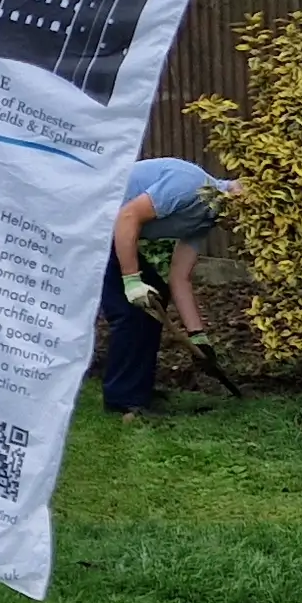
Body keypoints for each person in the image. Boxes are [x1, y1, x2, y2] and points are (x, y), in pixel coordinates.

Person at [101, 157, 239, 416]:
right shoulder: (191, 185)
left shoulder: (207, 217)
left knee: (154, 296)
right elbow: (127, 216)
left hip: (108, 230)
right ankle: (123, 401)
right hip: (89, 223)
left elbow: (180, 277)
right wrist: (131, 281)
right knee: (131, 312)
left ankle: (137, 390)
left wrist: (198, 337)